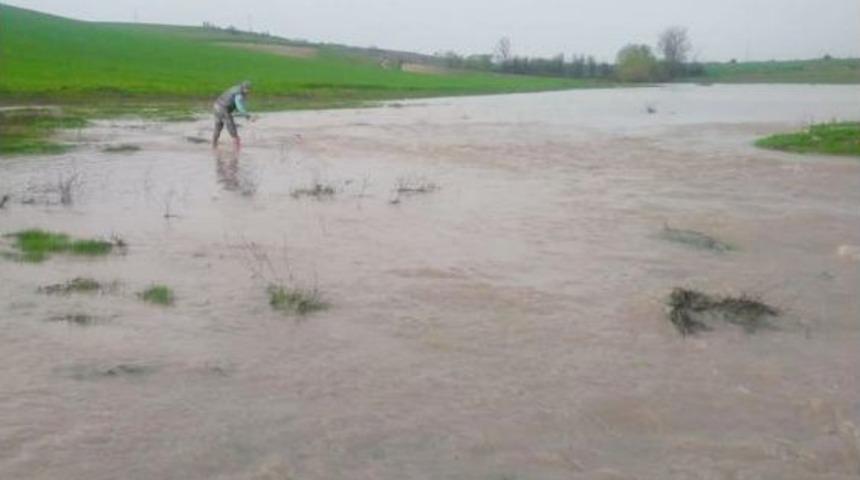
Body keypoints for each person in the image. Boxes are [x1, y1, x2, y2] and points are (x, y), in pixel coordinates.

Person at [212, 81, 252, 149]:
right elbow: (239, 106)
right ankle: (237, 146)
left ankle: (214, 145)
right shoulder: (238, 94)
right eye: (247, 89)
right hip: (223, 108)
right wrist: (246, 115)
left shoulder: (235, 89)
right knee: (230, 124)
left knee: (218, 127)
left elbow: (233, 103)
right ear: (244, 88)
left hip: (216, 106)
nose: (248, 91)